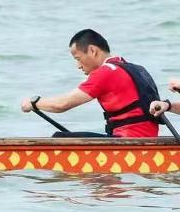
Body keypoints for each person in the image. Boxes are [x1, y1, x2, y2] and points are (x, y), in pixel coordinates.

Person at [20, 29, 160, 137]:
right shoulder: (137, 69)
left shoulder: (106, 72)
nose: (78, 66)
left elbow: (62, 104)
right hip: (146, 139)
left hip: (128, 142)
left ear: (92, 51)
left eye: (78, 58)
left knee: (59, 139)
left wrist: (34, 103)